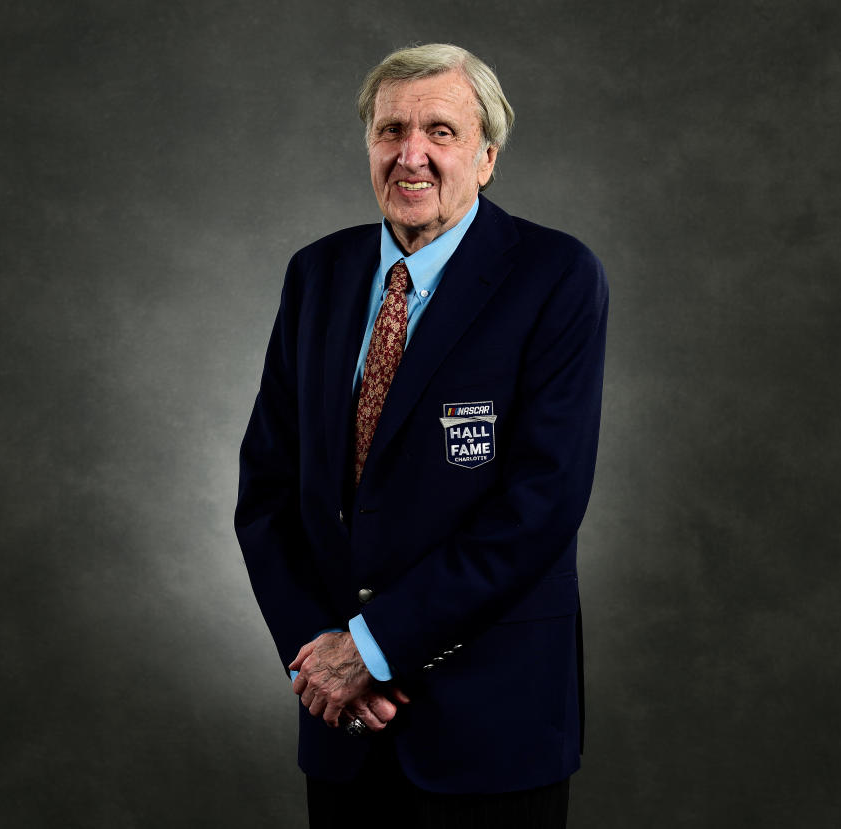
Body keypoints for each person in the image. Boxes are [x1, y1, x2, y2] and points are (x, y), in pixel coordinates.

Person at [236, 43, 608, 828]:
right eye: (390, 130)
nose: (412, 155)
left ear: (487, 155)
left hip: (492, 721)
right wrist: (322, 658)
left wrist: (371, 650)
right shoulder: (316, 276)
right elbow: (267, 491)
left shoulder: (555, 276)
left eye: (440, 130)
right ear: (369, 145)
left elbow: (541, 503)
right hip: (343, 722)